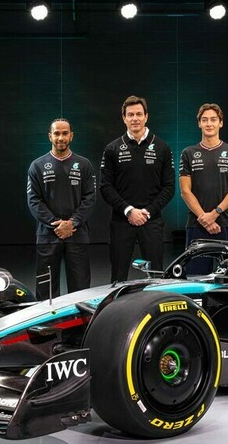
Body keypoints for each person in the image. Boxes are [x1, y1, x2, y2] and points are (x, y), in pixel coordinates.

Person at [100, 95, 175, 282]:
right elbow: (106, 187)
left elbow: (169, 187)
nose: (135, 118)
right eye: (130, 115)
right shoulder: (112, 149)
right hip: (121, 221)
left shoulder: (162, 148)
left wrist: (147, 212)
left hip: (152, 221)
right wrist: (128, 210)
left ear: (146, 117)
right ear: (124, 118)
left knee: (156, 277)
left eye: (139, 114)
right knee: (118, 277)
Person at [27, 118, 96, 299]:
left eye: (65, 133)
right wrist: (56, 224)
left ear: (71, 136)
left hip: (77, 234)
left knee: (80, 290)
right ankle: (47, 318)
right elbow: (34, 201)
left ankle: (80, 318)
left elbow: (90, 199)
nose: (61, 137)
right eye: (56, 133)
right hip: (47, 236)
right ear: (50, 136)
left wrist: (72, 223)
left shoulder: (84, 165)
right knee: (46, 292)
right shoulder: (37, 166)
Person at [179, 103, 228, 274]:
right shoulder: (188, 153)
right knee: (195, 278)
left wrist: (214, 214)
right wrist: (203, 218)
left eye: (213, 120)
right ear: (199, 123)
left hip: (227, 223)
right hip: (197, 225)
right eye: (205, 120)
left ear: (220, 123)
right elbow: (185, 191)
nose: (209, 124)